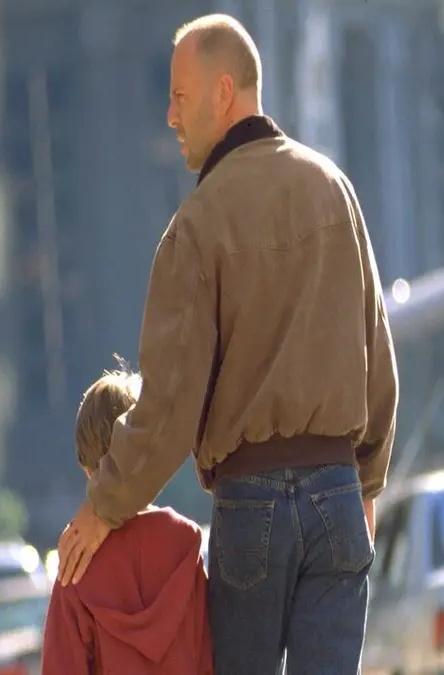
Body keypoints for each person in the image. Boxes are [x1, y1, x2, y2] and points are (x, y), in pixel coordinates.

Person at [56, 12, 398, 675]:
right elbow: (377, 361)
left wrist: (104, 505)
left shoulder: (195, 227)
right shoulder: (332, 188)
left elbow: (169, 406)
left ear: (222, 92)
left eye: (179, 97)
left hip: (252, 501)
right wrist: (366, 486)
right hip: (337, 491)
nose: (169, 116)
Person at [43, 371, 212, 675]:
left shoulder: (76, 562)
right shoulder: (186, 543)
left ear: (87, 470)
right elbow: (209, 657)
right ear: (147, 457)